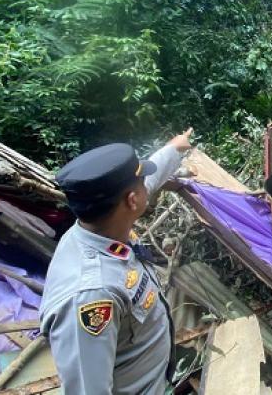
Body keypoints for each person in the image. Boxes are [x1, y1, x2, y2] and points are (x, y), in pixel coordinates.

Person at [40, 129, 193, 394]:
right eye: (141, 184)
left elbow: (147, 181)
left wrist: (174, 149)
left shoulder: (97, 229)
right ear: (132, 201)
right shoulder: (92, 295)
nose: (147, 185)